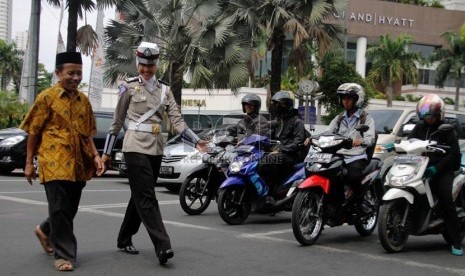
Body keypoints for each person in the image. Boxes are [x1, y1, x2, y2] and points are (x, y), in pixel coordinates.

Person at [101, 41, 207, 265]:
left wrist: (196, 142)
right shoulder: (128, 86)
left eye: (150, 66)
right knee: (147, 196)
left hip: (157, 147)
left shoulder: (165, 90)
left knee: (141, 194)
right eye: (142, 65)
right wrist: (107, 153)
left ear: (156, 65)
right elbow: (117, 122)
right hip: (134, 146)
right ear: (137, 62)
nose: (146, 69)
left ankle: (124, 238)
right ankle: (163, 246)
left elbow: (176, 121)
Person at [19, 52, 105, 272]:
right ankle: (64, 255)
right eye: (70, 73)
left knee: (69, 209)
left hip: (78, 164)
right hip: (53, 160)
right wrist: (29, 162)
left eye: (79, 73)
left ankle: (44, 230)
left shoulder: (83, 101)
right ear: (58, 73)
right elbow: (33, 132)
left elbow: (87, 134)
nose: (75, 77)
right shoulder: (47, 97)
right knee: (60, 209)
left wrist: (96, 156)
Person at [407, 94, 463, 256]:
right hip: (420, 166)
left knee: (446, 200)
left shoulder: (447, 129)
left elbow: (452, 154)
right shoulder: (419, 127)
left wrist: (436, 168)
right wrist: (396, 146)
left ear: (439, 115)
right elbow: (410, 143)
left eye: (431, 116)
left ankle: (457, 241)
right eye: (425, 115)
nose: (428, 119)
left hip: (442, 170)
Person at [327, 83, 375, 205]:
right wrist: (312, 138)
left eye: (349, 98)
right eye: (343, 98)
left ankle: (359, 201)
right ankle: (336, 202)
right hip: (340, 155)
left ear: (357, 99)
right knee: (329, 173)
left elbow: (370, 139)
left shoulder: (366, 118)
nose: (345, 101)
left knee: (353, 177)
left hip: (356, 156)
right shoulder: (339, 118)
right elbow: (328, 133)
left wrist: (360, 141)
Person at [257, 91, 306, 202]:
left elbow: (297, 143)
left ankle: (269, 194)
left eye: (281, 104)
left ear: (288, 105)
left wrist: (280, 150)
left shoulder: (297, 122)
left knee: (269, 160)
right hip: (277, 152)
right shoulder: (278, 122)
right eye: (276, 104)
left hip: (290, 156)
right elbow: (265, 132)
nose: (277, 107)